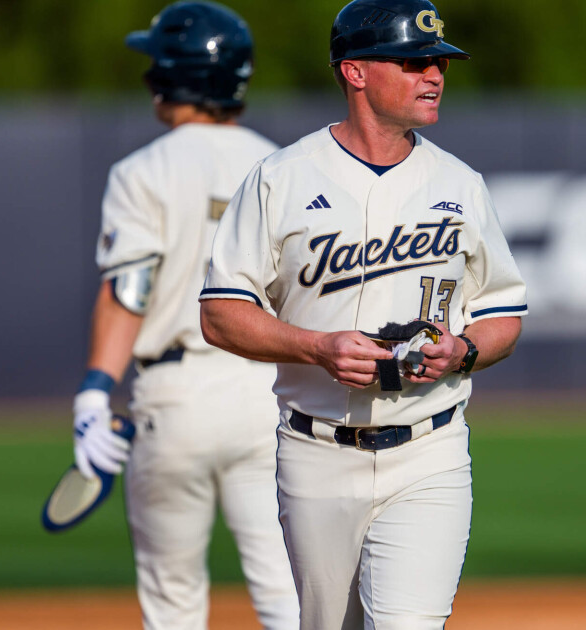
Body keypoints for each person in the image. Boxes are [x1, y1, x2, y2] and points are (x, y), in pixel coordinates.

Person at [199, 1, 528, 627]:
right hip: (314, 449)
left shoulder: (460, 184)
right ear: (354, 71)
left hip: (429, 449)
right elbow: (221, 312)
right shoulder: (282, 178)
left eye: (438, 62)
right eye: (412, 61)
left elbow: (503, 313)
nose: (433, 74)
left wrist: (465, 350)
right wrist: (315, 347)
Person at [71, 3, 298, 628]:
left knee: (172, 604)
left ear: (172, 76)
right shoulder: (285, 165)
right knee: (290, 596)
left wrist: (95, 392)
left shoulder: (141, 171)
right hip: (267, 392)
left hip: (174, 397)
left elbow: (129, 289)